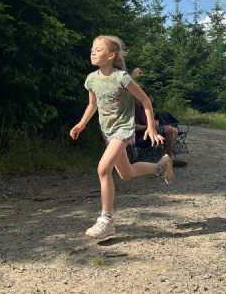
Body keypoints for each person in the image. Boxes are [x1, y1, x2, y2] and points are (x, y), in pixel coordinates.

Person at [70, 36, 174, 240]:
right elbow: (92, 105)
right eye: (92, 49)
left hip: (123, 129)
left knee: (103, 169)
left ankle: (106, 221)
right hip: (107, 131)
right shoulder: (91, 79)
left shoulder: (122, 77)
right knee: (126, 173)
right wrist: (81, 124)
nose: (92, 52)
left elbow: (145, 100)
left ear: (111, 56)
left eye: (98, 49)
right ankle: (162, 166)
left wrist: (151, 128)